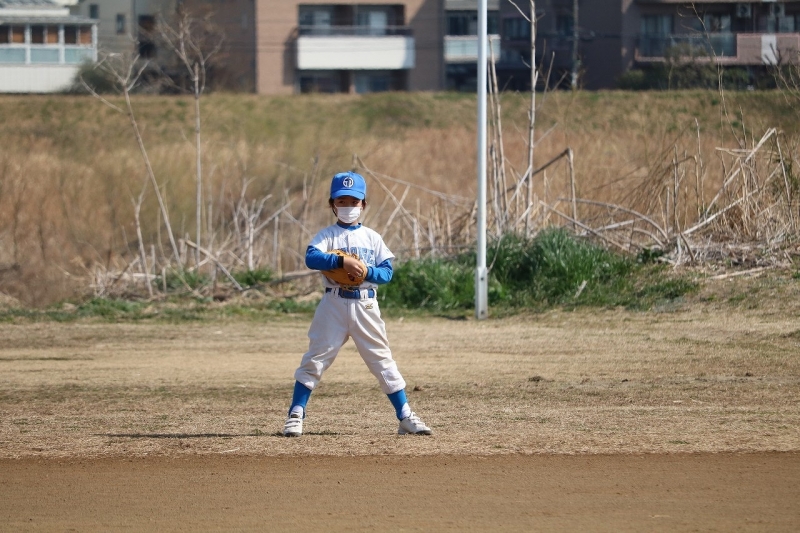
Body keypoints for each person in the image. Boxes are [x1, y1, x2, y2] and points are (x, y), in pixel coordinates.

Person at [282, 171, 432, 437]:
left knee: (382, 360)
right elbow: (311, 258)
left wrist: (366, 272)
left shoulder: (372, 238)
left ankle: (405, 416)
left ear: (363, 204)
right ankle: (296, 414)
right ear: (332, 204)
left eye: (354, 201)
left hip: (365, 305)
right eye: (342, 201)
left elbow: (387, 273)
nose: (348, 206)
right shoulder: (327, 236)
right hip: (333, 303)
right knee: (315, 358)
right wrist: (342, 261)